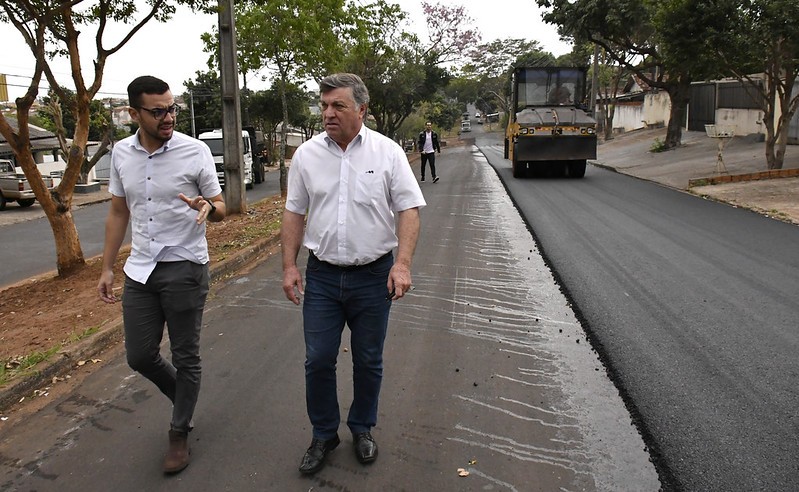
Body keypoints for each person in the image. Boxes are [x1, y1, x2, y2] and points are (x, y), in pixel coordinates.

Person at [281, 73, 426, 475]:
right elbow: (294, 212)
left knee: (367, 360)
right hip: (323, 277)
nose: (328, 113)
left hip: (373, 276)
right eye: (324, 105)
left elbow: (409, 210)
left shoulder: (387, 153)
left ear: (361, 109)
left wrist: (402, 264)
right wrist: (290, 266)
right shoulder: (307, 155)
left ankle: (362, 427)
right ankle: (324, 433)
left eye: (338, 106)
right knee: (317, 359)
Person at [97, 75, 225, 475]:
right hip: (140, 269)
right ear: (134, 113)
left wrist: (208, 208)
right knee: (139, 355)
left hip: (185, 265)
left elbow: (220, 206)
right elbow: (118, 211)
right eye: (158, 111)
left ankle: (179, 431)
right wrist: (107, 267)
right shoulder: (122, 153)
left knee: (186, 355)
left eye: (172, 108)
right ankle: (185, 397)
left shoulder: (195, 151)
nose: (168, 117)